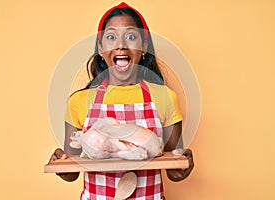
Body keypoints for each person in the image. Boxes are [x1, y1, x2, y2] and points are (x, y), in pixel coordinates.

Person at [49, 2, 194, 199]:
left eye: (131, 36)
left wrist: (183, 165)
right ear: (100, 49)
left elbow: (173, 166)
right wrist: (61, 164)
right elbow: (72, 170)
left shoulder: (165, 97)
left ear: (144, 47)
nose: (121, 44)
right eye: (111, 37)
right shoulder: (79, 101)